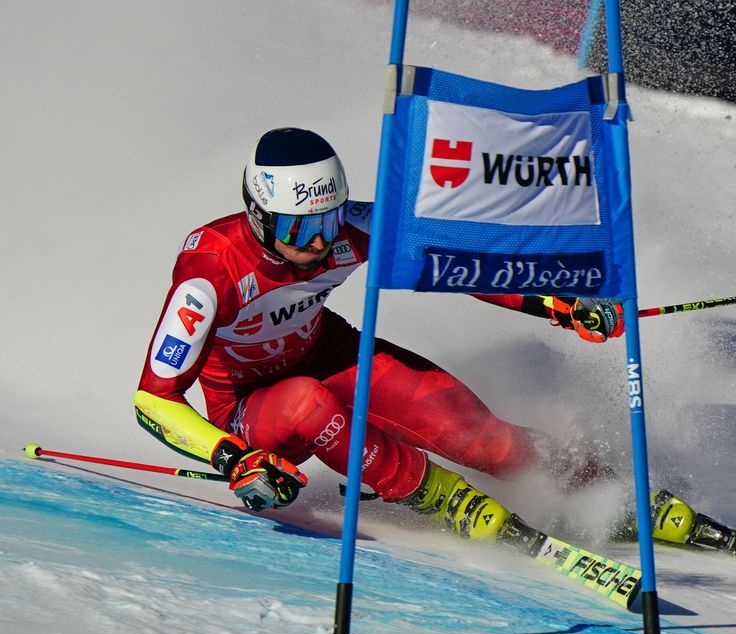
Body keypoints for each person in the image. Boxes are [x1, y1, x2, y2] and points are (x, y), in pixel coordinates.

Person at [134, 127, 694, 543]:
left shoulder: (350, 227)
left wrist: (554, 301)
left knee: (481, 437)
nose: (317, 243)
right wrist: (233, 458)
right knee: (307, 403)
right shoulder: (211, 271)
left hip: (325, 351)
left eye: (327, 222)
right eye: (299, 227)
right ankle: (438, 495)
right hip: (251, 410)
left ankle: (594, 485)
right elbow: (152, 399)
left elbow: (456, 263)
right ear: (259, 216)